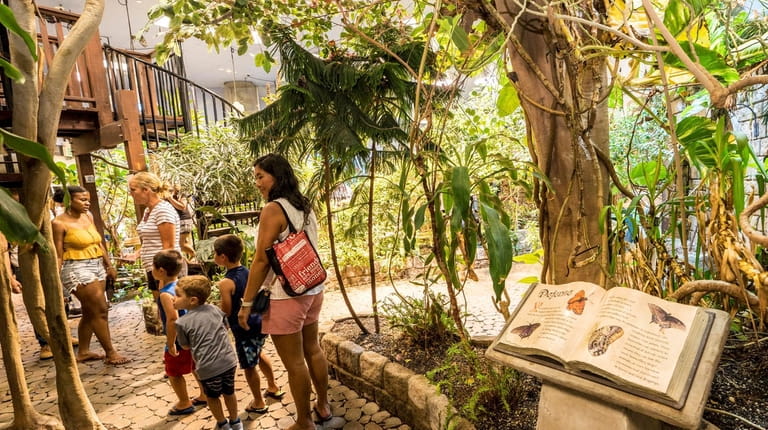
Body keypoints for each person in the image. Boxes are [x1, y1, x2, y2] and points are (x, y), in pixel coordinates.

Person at [237, 154, 331, 430]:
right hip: (312, 287)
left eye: (260, 176)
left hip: (285, 294)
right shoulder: (304, 204)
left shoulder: (273, 209)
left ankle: (304, 421)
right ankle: (323, 406)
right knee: (313, 349)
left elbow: (262, 260)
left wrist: (247, 303)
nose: (257, 183)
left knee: (294, 362)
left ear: (276, 175)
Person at [51, 185, 129, 365]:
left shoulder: (88, 216)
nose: (87, 203)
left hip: (96, 265)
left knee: (89, 310)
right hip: (75, 268)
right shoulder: (58, 223)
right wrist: (56, 281)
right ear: (69, 201)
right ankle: (111, 353)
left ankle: (84, 352)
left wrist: (109, 265)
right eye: (82, 200)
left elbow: (99, 243)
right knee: (100, 310)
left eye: (88, 200)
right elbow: (58, 253)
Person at [213, 234, 283, 414]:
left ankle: (258, 401)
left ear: (223, 257)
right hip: (259, 323)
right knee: (258, 353)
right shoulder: (249, 271)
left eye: (215, 253)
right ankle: (273, 386)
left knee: (249, 365)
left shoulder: (226, 282)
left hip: (243, 328)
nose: (213, 256)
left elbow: (227, 310)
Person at [174, 275, 243, 430]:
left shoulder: (181, 322)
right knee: (229, 392)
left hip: (207, 367)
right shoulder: (215, 309)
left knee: (212, 396)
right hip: (228, 361)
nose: (174, 299)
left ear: (192, 300)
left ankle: (222, 424)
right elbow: (225, 327)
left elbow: (185, 347)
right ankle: (236, 422)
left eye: (178, 295)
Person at [152, 249, 206, 415]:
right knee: (196, 366)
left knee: (173, 372)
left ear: (161, 271)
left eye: (153, 267)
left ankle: (184, 402)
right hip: (193, 336)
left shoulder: (166, 295)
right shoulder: (182, 286)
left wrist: (170, 343)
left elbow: (172, 319)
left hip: (179, 338)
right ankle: (204, 395)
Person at [129, 172, 184, 296]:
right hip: (154, 268)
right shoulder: (149, 210)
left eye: (133, 190)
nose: (131, 194)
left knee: (170, 308)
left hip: (165, 269)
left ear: (146, 190)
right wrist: (136, 255)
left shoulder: (163, 210)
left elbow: (169, 246)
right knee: (162, 308)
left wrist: (164, 278)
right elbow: (151, 241)